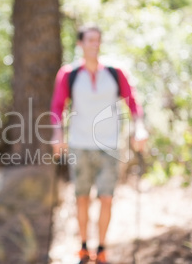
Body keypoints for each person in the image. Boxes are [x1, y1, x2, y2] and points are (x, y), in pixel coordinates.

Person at [50, 25, 147, 264]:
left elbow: (133, 103)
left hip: (110, 146)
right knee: (81, 197)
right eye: (90, 40)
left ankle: (101, 248)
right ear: (80, 44)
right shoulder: (69, 73)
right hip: (79, 145)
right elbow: (56, 107)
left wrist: (140, 127)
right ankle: (84, 247)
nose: (95, 44)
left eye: (98, 40)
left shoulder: (116, 72)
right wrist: (57, 134)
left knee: (106, 197)